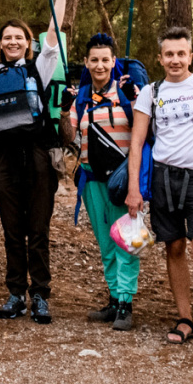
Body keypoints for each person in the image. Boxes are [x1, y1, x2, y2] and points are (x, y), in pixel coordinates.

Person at [0, 0, 71, 323]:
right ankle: (15, 293)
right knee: (12, 230)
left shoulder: (37, 70)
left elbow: (54, 33)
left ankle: (40, 294)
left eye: (20, 38)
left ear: (29, 44)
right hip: (2, 160)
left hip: (38, 156)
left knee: (38, 230)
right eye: (7, 38)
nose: (13, 42)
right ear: (0, 44)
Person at [125, 27, 193, 353]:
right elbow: (138, 141)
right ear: (160, 58)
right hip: (162, 178)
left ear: (191, 55)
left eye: (181, 54)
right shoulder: (150, 92)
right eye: (169, 54)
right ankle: (184, 318)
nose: (175, 60)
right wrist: (134, 188)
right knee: (173, 247)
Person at [66, 32, 140, 331]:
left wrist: (135, 100)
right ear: (86, 62)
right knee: (106, 243)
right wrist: (63, 108)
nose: (100, 65)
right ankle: (114, 298)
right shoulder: (81, 98)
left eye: (105, 60)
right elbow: (68, 138)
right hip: (91, 180)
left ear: (113, 62)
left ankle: (126, 303)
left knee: (126, 243)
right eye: (94, 60)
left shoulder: (126, 95)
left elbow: (144, 134)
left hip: (122, 182)